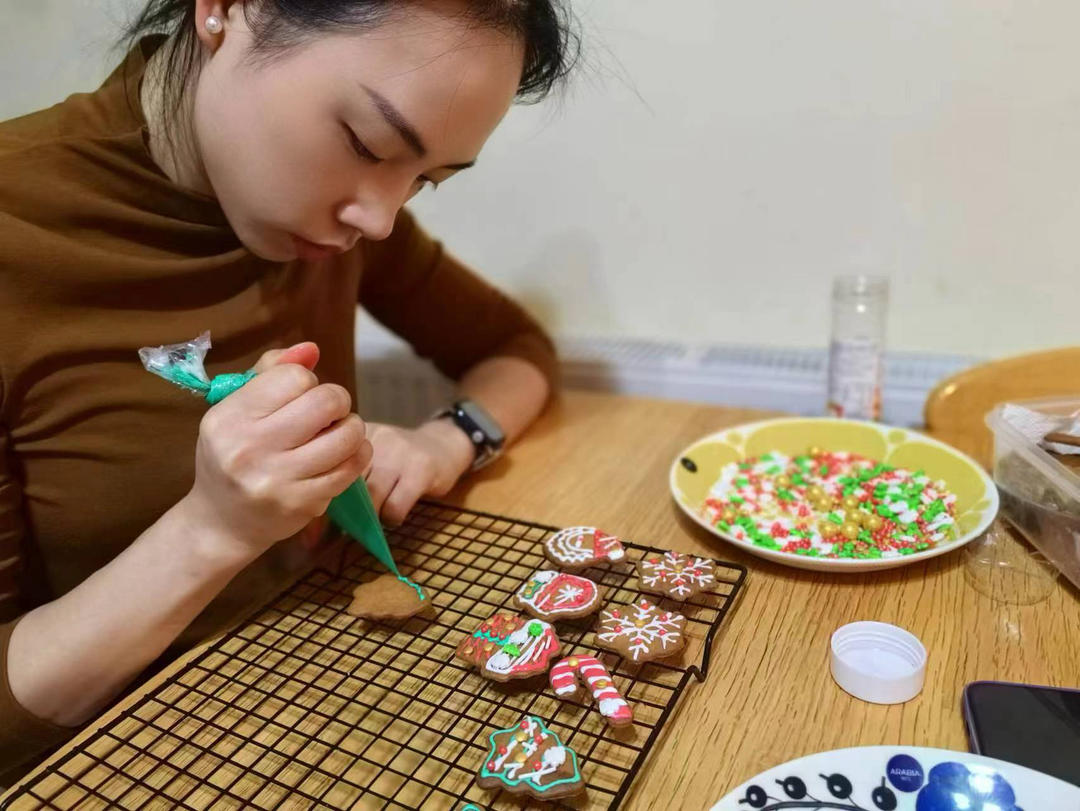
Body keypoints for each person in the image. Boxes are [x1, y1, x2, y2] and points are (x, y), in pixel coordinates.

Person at [0, 0, 575, 782]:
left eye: (426, 181)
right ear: (227, 10)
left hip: (318, 701)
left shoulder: (341, 219)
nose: (376, 219)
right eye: (367, 142)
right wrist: (210, 530)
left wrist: (449, 439)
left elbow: (515, 349)